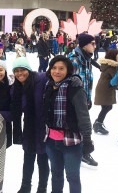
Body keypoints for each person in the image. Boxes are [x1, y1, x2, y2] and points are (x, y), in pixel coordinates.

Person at [43, 55, 94, 193]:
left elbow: (84, 116)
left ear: (68, 71)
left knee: (72, 177)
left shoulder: (75, 88)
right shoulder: (48, 86)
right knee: (56, 175)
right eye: (54, 68)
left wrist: (87, 139)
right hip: (51, 142)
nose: (57, 72)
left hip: (71, 142)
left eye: (61, 68)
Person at [10, 57, 49, 193]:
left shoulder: (41, 79)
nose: (20, 74)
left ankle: (42, 188)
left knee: (43, 160)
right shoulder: (16, 88)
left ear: (28, 69)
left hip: (44, 127)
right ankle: (25, 187)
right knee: (28, 159)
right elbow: (14, 108)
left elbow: (59, 75)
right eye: (17, 71)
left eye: (23, 70)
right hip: (29, 128)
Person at [69, 33, 100, 166]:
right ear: (84, 45)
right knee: (81, 126)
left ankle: (80, 151)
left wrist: (88, 98)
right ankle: (83, 152)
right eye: (92, 44)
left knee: (79, 126)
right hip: (75, 101)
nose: (95, 46)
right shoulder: (75, 60)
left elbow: (86, 81)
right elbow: (70, 83)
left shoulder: (86, 59)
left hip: (83, 99)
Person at [93, 49, 118, 135]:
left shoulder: (107, 65)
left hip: (103, 88)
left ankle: (98, 122)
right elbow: (116, 79)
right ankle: (98, 123)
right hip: (105, 89)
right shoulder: (112, 67)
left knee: (106, 107)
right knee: (107, 107)